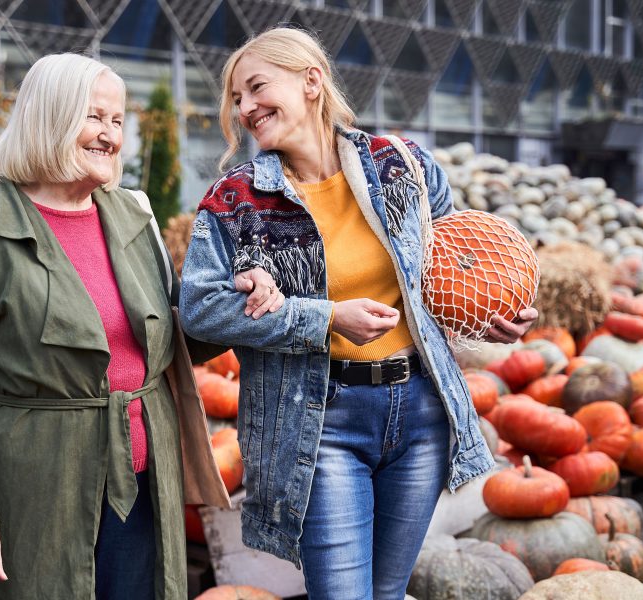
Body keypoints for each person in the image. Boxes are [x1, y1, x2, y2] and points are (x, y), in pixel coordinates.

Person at [178, 27, 538, 600]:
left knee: (388, 592)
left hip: (421, 412)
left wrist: (494, 315)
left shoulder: (402, 167)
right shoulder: (238, 200)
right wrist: (321, 317)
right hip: (321, 421)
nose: (245, 108)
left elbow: (457, 265)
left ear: (312, 81)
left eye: (256, 88)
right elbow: (199, 310)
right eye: (236, 98)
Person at [0, 52, 280, 600]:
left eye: (117, 120)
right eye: (94, 117)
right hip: (37, 492)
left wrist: (234, 299)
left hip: (141, 481)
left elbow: (170, 340)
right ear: (51, 117)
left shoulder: (133, 213)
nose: (110, 135)